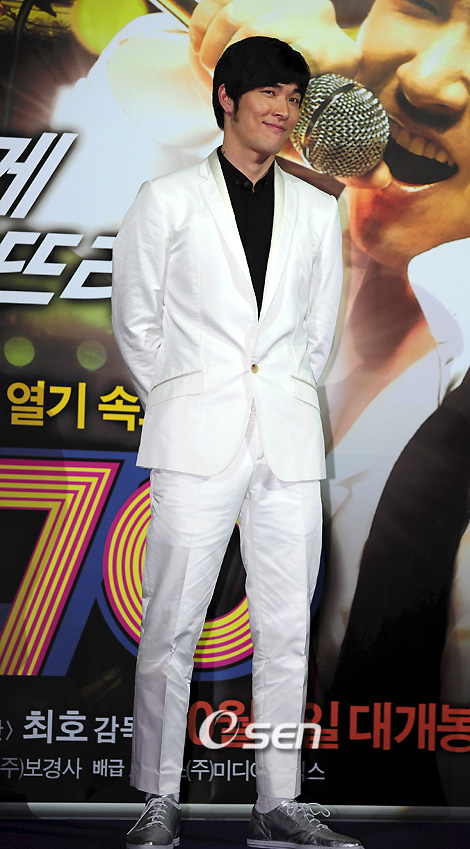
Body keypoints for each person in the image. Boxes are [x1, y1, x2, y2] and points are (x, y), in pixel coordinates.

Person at [112, 33, 363, 849]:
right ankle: (157, 795)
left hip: (286, 441)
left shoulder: (318, 210)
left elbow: (316, 337)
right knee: (173, 621)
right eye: (268, 93)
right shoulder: (166, 198)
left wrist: (275, 395)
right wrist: (188, 398)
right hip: (196, 438)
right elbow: (136, 324)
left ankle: (277, 799)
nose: (282, 109)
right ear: (227, 97)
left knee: (288, 628)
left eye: (293, 97)